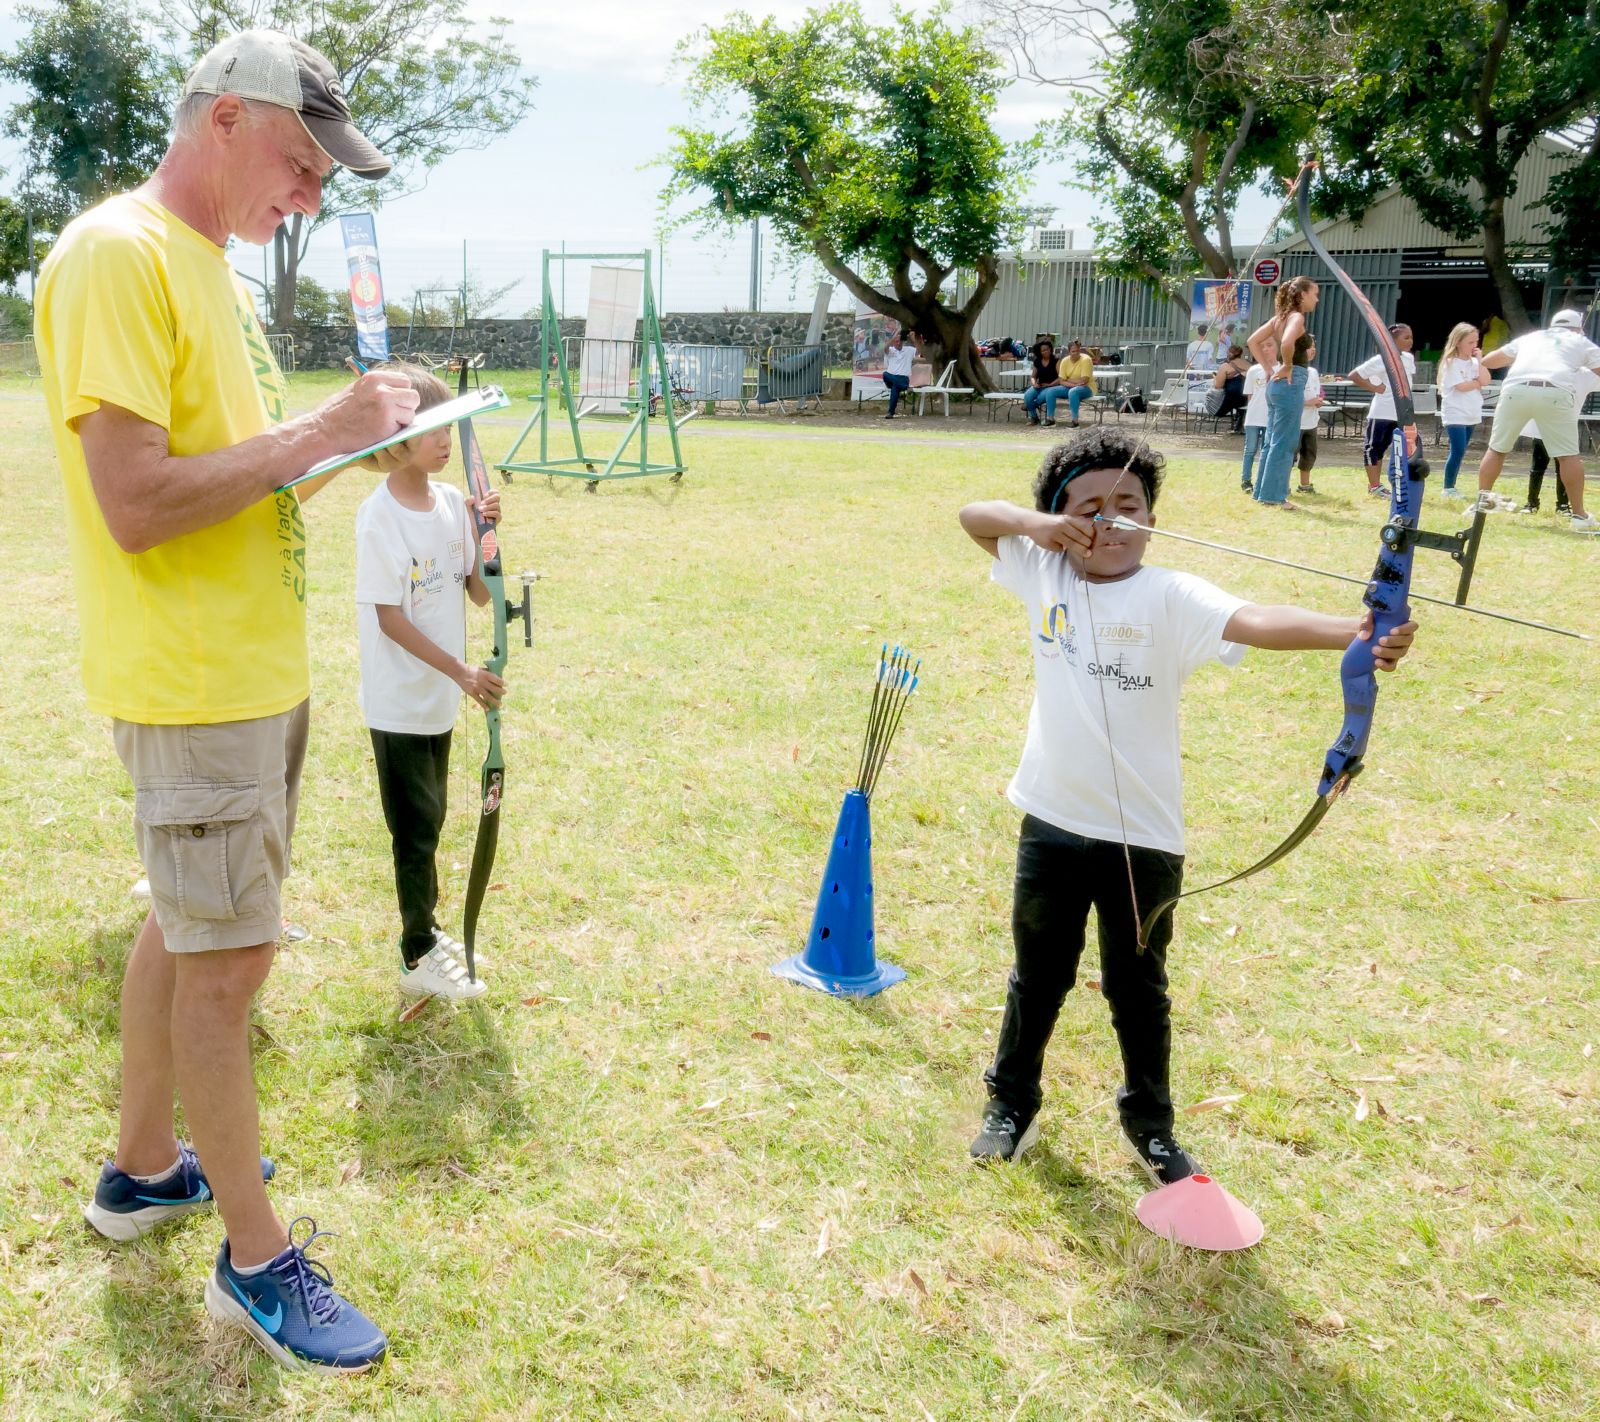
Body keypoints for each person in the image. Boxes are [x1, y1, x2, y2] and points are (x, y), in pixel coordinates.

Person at [35, 29, 416, 1373]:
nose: (309, 194)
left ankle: (144, 1167)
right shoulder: (115, 255)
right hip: (198, 685)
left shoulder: (207, 272)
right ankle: (257, 1258)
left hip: (247, 673)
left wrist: (354, 446)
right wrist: (319, 430)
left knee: (191, 931)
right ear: (228, 120)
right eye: (303, 163)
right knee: (227, 964)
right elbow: (136, 503)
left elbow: (230, 479)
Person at [957, 428, 1416, 1176]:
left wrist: (1357, 634)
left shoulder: (1169, 593)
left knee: (1138, 988)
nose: (1114, 523)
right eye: (1091, 509)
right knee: (1036, 974)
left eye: (1130, 505)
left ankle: (1151, 1126)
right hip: (1051, 818)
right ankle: (1012, 1104)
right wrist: (1035, 525)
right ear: (1061, 522)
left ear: (1155, 518)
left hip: (1142, 837)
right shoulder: (1042, 570)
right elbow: (974, 516)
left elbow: (1256, 620)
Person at [356, 366, 505, 1003]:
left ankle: (429, 926)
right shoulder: (378, 516)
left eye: (453, 429)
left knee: (433, 818)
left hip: (443, 699)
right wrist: (462, 672)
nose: (449, 442)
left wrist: (485, 529)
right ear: (395, 440)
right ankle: (417, 951)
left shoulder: (450, 504)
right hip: (400, 703)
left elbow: (477, 593)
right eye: (434, 430)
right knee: (414, 829)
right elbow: (389, 618)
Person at [1473, 309, 1600, 532]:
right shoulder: (1581, 341)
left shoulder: (1532, 337)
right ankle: (1579, 516)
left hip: (1514, 389)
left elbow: (1490, 361)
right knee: (1568, 456)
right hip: (1555, 391)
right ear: (1579, 327)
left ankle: (1481, 504)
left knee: (1497, 449)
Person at [1247, 276, 1320, 507]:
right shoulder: (1297, 317)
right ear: (1302, 295)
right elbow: (1287, 343)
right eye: (1314, 294)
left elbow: (1252, 341)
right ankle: (1274, 496)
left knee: (1271, 441)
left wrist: (1270, 369)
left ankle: (1262, 492)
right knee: (1285, 442)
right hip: (1291, 381)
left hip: (1277, 384)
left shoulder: (1279, 318)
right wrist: (1287, 365)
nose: (1317, 299)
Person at [1348, 323, 1417, 498]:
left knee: (1387, 449)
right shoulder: (1381, 360)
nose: (1410, 341)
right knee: (1373, 449)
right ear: (1392, 340)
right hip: (1382, 413)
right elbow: (1354, 375)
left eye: (1411, 337)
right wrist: (1374, 388)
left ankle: (1380, 485)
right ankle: (1374, 486)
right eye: (1406, 337)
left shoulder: (1408, 358)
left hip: (1400, 413)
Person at [1438, 321, 1492, 499]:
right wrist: (1477, 383)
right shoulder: (1451, 362)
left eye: (1476, 342)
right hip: (1455, 412)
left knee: (1462, 450)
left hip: (1471, 411)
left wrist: (1481, 361)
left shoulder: (1475, 362)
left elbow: (1486, 380)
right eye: (1470, 342)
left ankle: (1452, 485)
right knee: (1458, 449)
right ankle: (1448, 487)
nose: (1474, 346)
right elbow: (1461, 386)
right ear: (1458, 342)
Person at [1238, 336, 1273, 493]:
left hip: (1270, 418)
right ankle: (1246, 480)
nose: (1265, 349)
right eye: (1262, 346)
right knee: (1250, 449)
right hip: (1253, 417)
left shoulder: (1280, 369)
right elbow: (1250, 395)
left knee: (1267, 450)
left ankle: (1263, 480)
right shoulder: (1253, 370)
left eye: (1269, 345)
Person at [1296, 339, 1326, 494]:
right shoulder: (1293, 371)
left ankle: (1305, 485)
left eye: (1314, 347)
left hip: (1312, 422)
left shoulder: (1313, 371)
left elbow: (1318, 391)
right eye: (1309, 347)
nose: (1313, 350)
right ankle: (1282, 485)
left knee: (1309, 454)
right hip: (1296, 422)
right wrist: (1308, 402)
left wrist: (1319, 399)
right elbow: (1289, 398)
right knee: (1290, 455)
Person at [1023, 337, 1068, 427]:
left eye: (1047, 349)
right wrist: (1034, 383)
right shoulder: (1037, 361)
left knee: (1040, 398)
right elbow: (1033, 376)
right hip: (1040, 385)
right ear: (1039, 352)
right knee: (1027, 396)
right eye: (1043, 350)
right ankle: (1034, 417)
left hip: (1052, 386)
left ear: (1050, 349)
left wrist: (1050, 384)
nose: (1045, 351)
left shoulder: (1056, 360)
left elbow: (1060, 378)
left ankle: (1029, 406)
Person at [1522, 439, 1571, 516]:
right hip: (1541, 434)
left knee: (1562, 470)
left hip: (1561, 434)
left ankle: (1563, 505)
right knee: (1536, 469)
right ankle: (1532, 503)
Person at [1210, 344, 1251, 430]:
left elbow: (1218, 386)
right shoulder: (1249, 365)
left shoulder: (1225, 366)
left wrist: (1215, 379)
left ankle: (1237, 420)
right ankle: (1241, 420)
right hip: (1247, 399)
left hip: (1232, 397)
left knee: (1214, 398)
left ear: (1228, 353)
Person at [1058, 338, 1097, 427]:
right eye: (1073, 351)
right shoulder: (1065, 361)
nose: (1076, 353)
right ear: (1069, 352)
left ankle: (1075, 421)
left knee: (1073, 392)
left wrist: (1067, 379)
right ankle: (1050, 419)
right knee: (1051, 391)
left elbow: (1084, 381)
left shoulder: (1086, 359)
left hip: (1088, 388)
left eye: (1078, 351)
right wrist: (1073, 383)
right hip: (1071, 386)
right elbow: (1061, 381)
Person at [881, 328, 915, 418]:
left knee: (895, 388)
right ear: (893, 342)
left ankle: (890, 413)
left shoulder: (909, 350)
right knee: (885, 374)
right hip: (891, 378)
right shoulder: (891, 350)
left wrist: (913, 338)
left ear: (903, 341)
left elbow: (920, 351)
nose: (898, 343)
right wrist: (895, 336)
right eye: (896, 341)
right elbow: (885, 348)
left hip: (903, 378)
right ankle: (905, 387)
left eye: (900, 341)